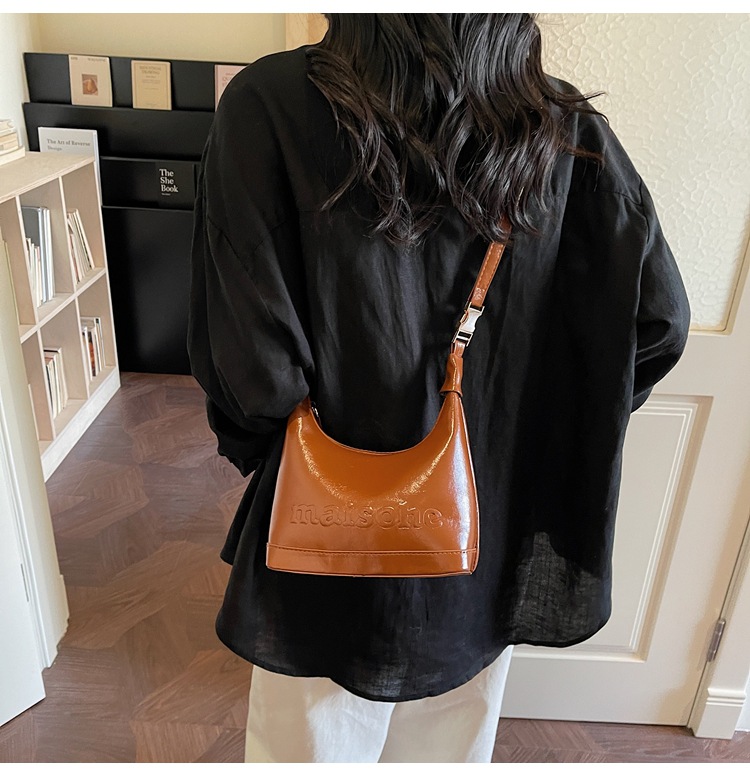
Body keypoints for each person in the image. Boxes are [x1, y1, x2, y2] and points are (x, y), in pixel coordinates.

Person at [187, 13, 691, 763]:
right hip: (484, 532)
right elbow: (659, 322)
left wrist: (282, 451)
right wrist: (528, 434)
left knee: (312, 744)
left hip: (326, 531)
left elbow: (251, 368)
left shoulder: (268, 105)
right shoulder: (565, 133)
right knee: (453, 744)